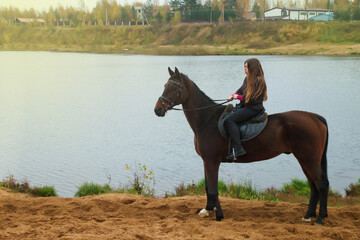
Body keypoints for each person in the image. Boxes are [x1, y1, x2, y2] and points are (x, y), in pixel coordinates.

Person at [224, 58, 268, 160]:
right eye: (244, 67)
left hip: (254, 109)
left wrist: (237, 97)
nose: (244, 69)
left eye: (246, 67)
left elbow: (251, 99)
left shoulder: (258, 81)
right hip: (246, 107)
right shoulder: (247, 78)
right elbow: (240, 90)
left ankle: (238, 149)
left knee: (229, 120)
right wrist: (233, 95)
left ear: (252, 68)